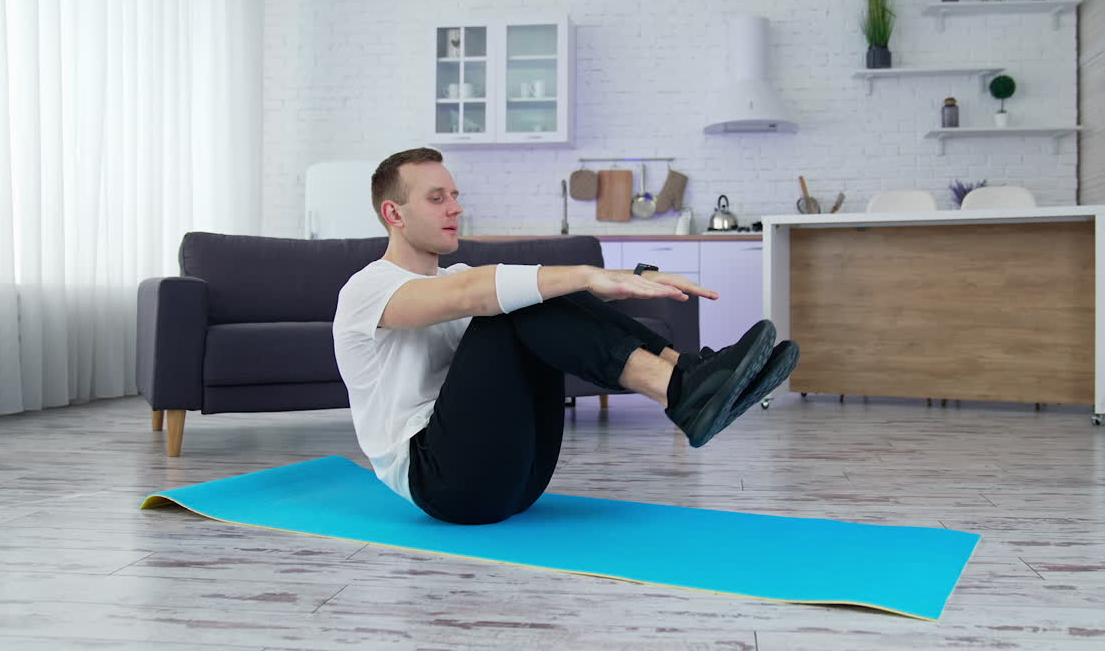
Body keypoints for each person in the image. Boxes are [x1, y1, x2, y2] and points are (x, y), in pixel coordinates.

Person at [332, 148, 800, 525]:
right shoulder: (368, 289)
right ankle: (682, 389)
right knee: (512, 300)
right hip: (441, 482)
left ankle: (692, 377)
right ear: (393, 212)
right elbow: (474, 295)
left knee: (528, 293)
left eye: (455, 194)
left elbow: (534, 299)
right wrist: (588, 275)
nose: (456, 207)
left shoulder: (460, 276)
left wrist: (631, 278)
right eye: (437, 198)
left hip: (521, 474)